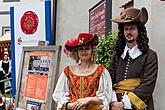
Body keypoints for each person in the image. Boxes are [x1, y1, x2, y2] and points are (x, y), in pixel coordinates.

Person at [109, 7, 158, 110]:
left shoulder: (150, 56)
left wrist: (124, 104)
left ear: (139, 31)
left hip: (139, 106)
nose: (128, 32)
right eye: (126, 29)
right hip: (116, 105)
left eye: (132, 28)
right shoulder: (117, 55)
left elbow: (148, 85)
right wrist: (114, 101)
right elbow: (109, 80)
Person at [52, 33, 112, 110]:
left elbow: (106, 98)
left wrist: (88, 100)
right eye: (81, 49)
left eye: (87, 48)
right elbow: (58, 95)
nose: (84, 52)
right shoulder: (68, 71)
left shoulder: (101, 71)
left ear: (92, 50)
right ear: (76, 52)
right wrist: (70, 105)